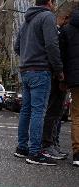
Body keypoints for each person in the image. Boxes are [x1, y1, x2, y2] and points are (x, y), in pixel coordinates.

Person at [13, 0, 64, 165]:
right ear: (50, 2)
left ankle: (22, 147)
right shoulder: (47, 16)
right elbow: (52, 44)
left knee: (26, 111)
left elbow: (17, 46)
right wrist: (58, 69)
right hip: (41, 70)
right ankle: (35, 152)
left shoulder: (28, 19)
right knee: (38, 112)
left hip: (25, 71)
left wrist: (27, 56)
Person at [41, 12, 71, 160]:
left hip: (56, 75)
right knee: (54, 112)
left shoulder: (59, 31)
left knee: (55, 112)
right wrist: (60, 73)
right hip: (57, 76)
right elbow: (56, 52)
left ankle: (51, 143)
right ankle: (48, 144)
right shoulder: (58, 32)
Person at [59, 9, 79, 167]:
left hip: (74, 78)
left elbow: (62, 54)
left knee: (77, 116)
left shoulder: (67, 30)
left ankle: (77, 154)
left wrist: (62, 75)